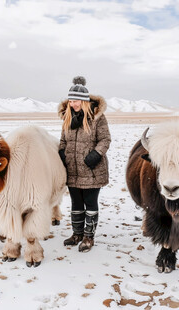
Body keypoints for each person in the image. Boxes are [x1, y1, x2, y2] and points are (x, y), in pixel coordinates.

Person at [58, 76, 111, 252]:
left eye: (76, 101)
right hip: (72, 170)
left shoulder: (97, 118)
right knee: (76, 204)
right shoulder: (67, 118)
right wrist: (61, 153)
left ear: (85, 101)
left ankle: (89, 237)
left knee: (90, 203)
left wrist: (95, 155)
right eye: (71, 100)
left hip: (92, 170)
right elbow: (63, 141)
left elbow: (105, 139)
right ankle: (77, 234)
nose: (73, 104)